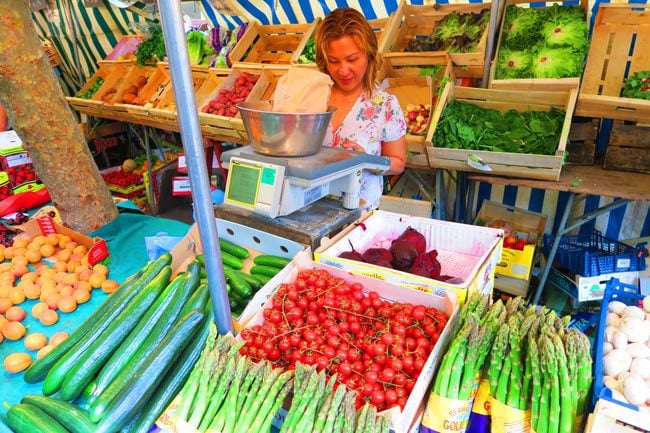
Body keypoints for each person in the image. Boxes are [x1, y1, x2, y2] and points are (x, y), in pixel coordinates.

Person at [315, 7, 407, 209]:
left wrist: (366, 160)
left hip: (359, 213)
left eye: (352, 59)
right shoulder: (314, 96)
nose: (343, 70)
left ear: (369, 54)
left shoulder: (385, 105)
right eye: (333, 61)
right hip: (309, 208)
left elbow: (398, 163)